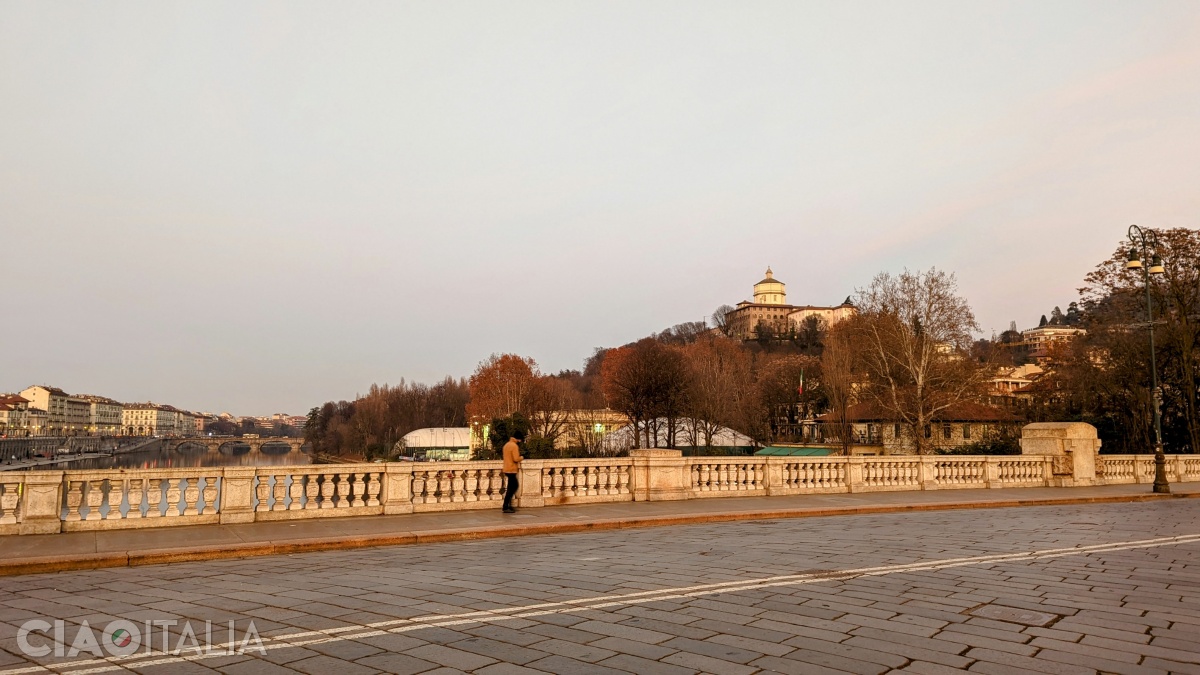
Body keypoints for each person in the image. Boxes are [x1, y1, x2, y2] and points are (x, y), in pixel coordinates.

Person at [501, 430, 524, 513]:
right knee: (514, 486)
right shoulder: (514, 446)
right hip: (511, 469)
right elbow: (516, 458)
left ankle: (508, 505)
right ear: (518, 438)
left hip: (506, 468)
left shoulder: (506, 445)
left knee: (510, 487)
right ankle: (506, 506)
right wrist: (522, 457)